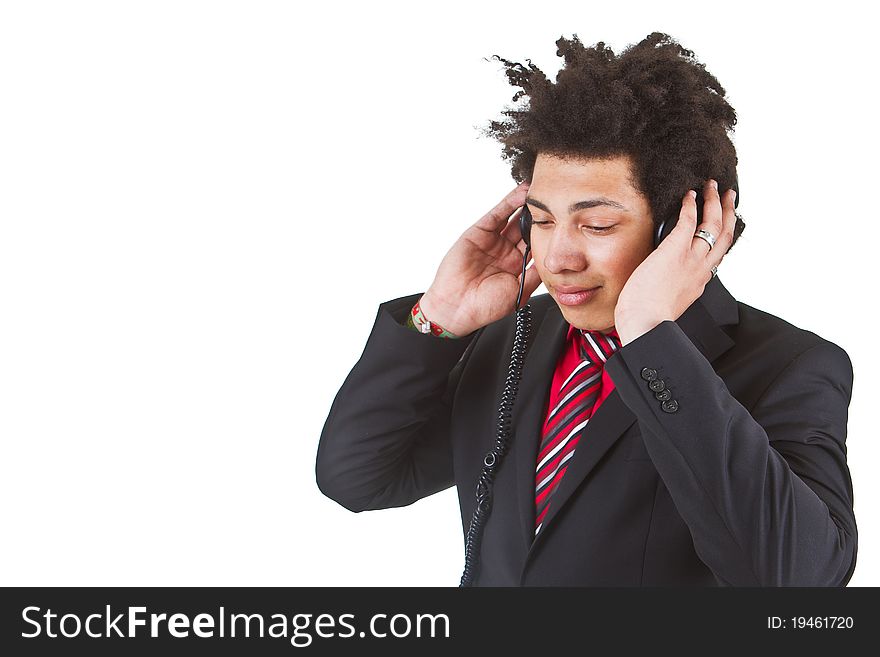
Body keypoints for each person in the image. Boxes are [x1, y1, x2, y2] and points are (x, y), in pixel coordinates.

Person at [315, 32, 857, 586]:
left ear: (682, 229)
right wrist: (439, 318)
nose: (558, 256)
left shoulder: (793, 366)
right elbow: (360, 479)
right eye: (542, 220)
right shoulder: (513, 337)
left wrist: (653, 342)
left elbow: (799, 577)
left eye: (597, 225)